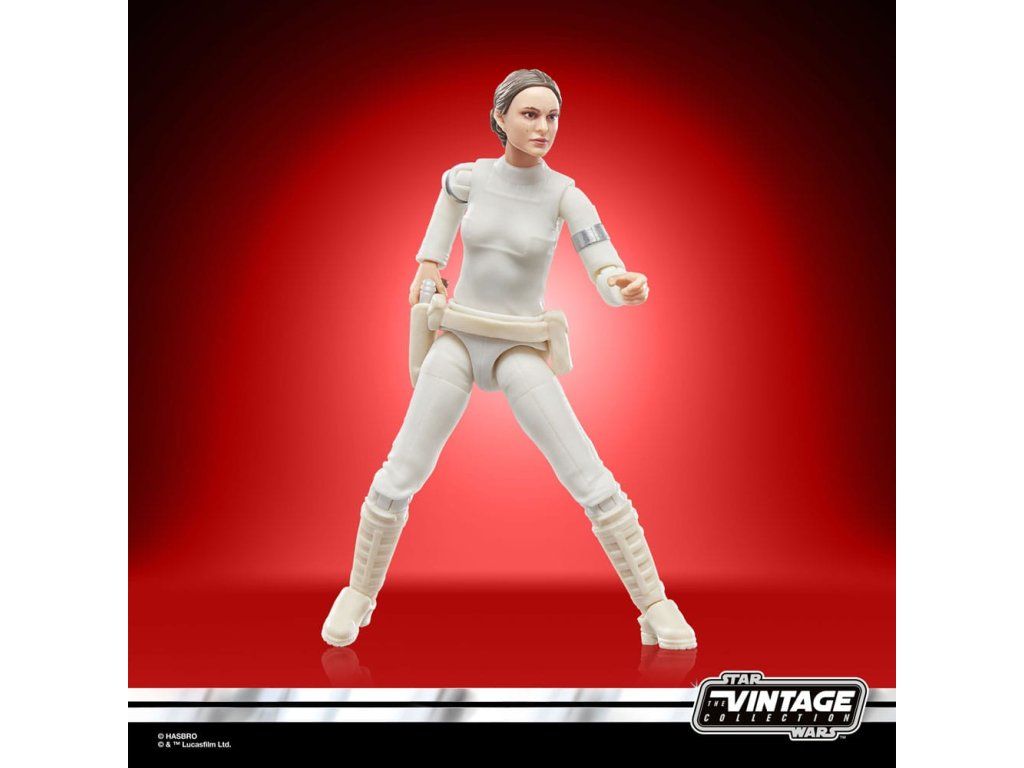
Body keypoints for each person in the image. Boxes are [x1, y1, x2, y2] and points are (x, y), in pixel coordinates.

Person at [322, 68, 697, 650]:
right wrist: (428, 265)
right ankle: (359, 592)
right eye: (530, 114)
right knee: (402, 471)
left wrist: (620, 284)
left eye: (552, 116)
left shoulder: (565, 195)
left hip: (519, 345)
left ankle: (655, 603)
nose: (543, 127)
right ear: (500, 117)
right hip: (457, 336)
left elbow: (603, 262)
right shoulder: (467, 179)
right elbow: (440, 225)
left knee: (587, 473)